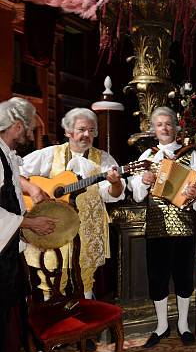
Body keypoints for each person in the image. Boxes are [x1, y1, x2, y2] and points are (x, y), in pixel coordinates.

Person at [128, 106, 196, 348]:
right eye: (159, 124)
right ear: (153, 130)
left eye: (168, 124)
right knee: (158, 276)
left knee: (185, 277)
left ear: (176, 127)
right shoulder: (147, 157)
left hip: (184, 225)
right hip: (156, 224)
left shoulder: (191, 156)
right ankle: (162, 325)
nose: (164, 128)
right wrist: (143, 181)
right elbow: (136, 194)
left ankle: (184, 325)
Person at [21, 107, 125, 301]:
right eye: (81, 129)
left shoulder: (103, 159)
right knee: (49, 276)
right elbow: (15, 173)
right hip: (53, 226)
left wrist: (116, 182)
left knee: (86, 277)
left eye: (91, 130)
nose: (87, 134)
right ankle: (51, 320)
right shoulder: (50, 154)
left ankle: (85, 321)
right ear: (68, 132)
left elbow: (114, 195)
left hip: (88, 229)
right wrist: (33, 189)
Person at [0, 97, 57, 352]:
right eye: (32, 129)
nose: (33, 137)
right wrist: (30, 222)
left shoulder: (7, 156)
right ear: (18, 126)